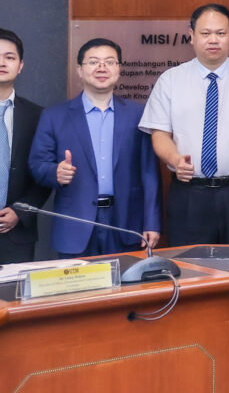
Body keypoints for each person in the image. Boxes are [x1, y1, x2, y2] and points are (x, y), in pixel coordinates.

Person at [139, 3, 229, 246]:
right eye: (205, 33)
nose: (213, 40)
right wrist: (175, 159)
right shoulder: (170, 80)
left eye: (220, 33)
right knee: (191, 271)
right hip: (189, 194)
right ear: (191, 36)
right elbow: (159, 134)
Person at [28, 39, 162, 257]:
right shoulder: (54, 116)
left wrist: (152, 222)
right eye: (93, 62)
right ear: (80, 70)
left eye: (110, 62)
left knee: (127, 289)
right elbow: (37, 164)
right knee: (80, 291)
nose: (102, 68)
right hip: (76, 225)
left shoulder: (138, 115)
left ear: (119, 69)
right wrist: (56, 172)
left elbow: (149, 173)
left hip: (126, 224)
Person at [0, 28, 49, 264]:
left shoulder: (37, 115)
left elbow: (43, 174)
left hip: (16, 234)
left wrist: (20, 211)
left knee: (14, 300)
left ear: (20, 65)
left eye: (9, 57)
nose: (2, 62)